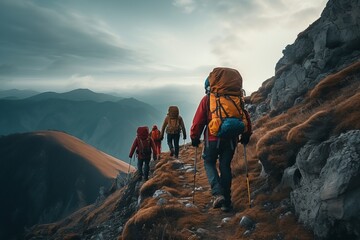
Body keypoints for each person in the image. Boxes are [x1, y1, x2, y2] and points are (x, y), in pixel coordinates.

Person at [190, 72, 252, 212]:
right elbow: (245, 117)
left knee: (208, 162)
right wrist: (246, 135)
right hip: (230, 140)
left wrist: (194, 138)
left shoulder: (207, 100)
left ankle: (217, 193)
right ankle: (227, 202)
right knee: (225, 166)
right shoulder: (236, 99)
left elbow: (198, 122)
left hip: (212, 139)